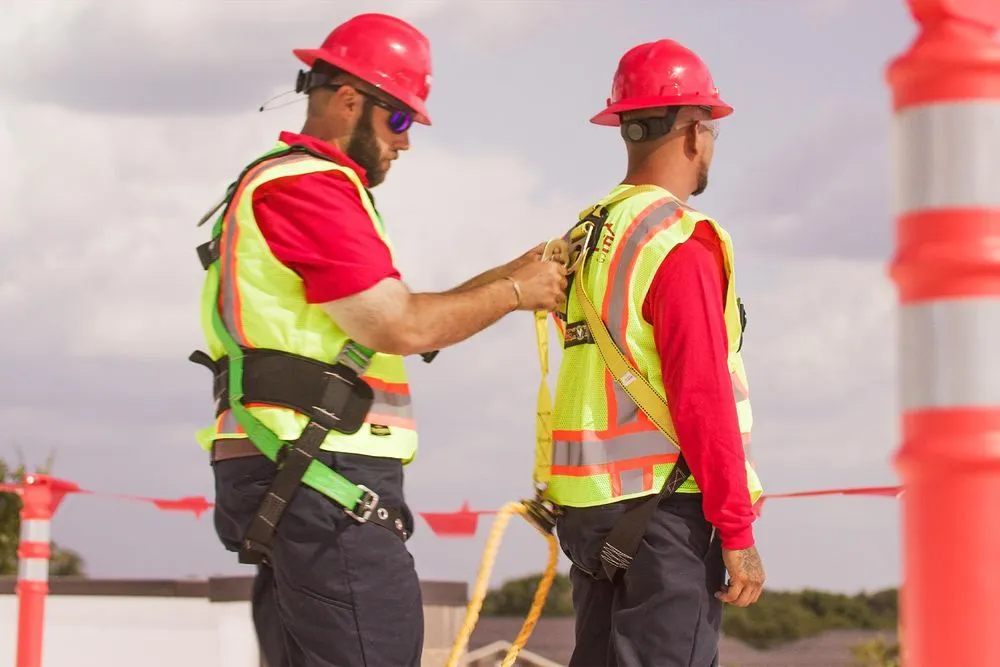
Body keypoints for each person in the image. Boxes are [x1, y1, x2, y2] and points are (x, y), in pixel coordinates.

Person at [188, 13, 567, 667]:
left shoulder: (280, 184)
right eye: (399, 120)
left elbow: (401, 315)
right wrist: (515, 293)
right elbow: (401, 323)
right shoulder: (312, 189)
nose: (406, 142)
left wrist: (510, 272)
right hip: (319, 471)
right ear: (347, 100)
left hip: (287, 466)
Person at [545, 39, 766, 666]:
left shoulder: (587, 234)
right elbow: (702, 395)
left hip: (590, 513)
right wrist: (737, 530)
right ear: (695, 132)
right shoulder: (678, 242)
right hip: (665, 511)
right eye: (713, 130)